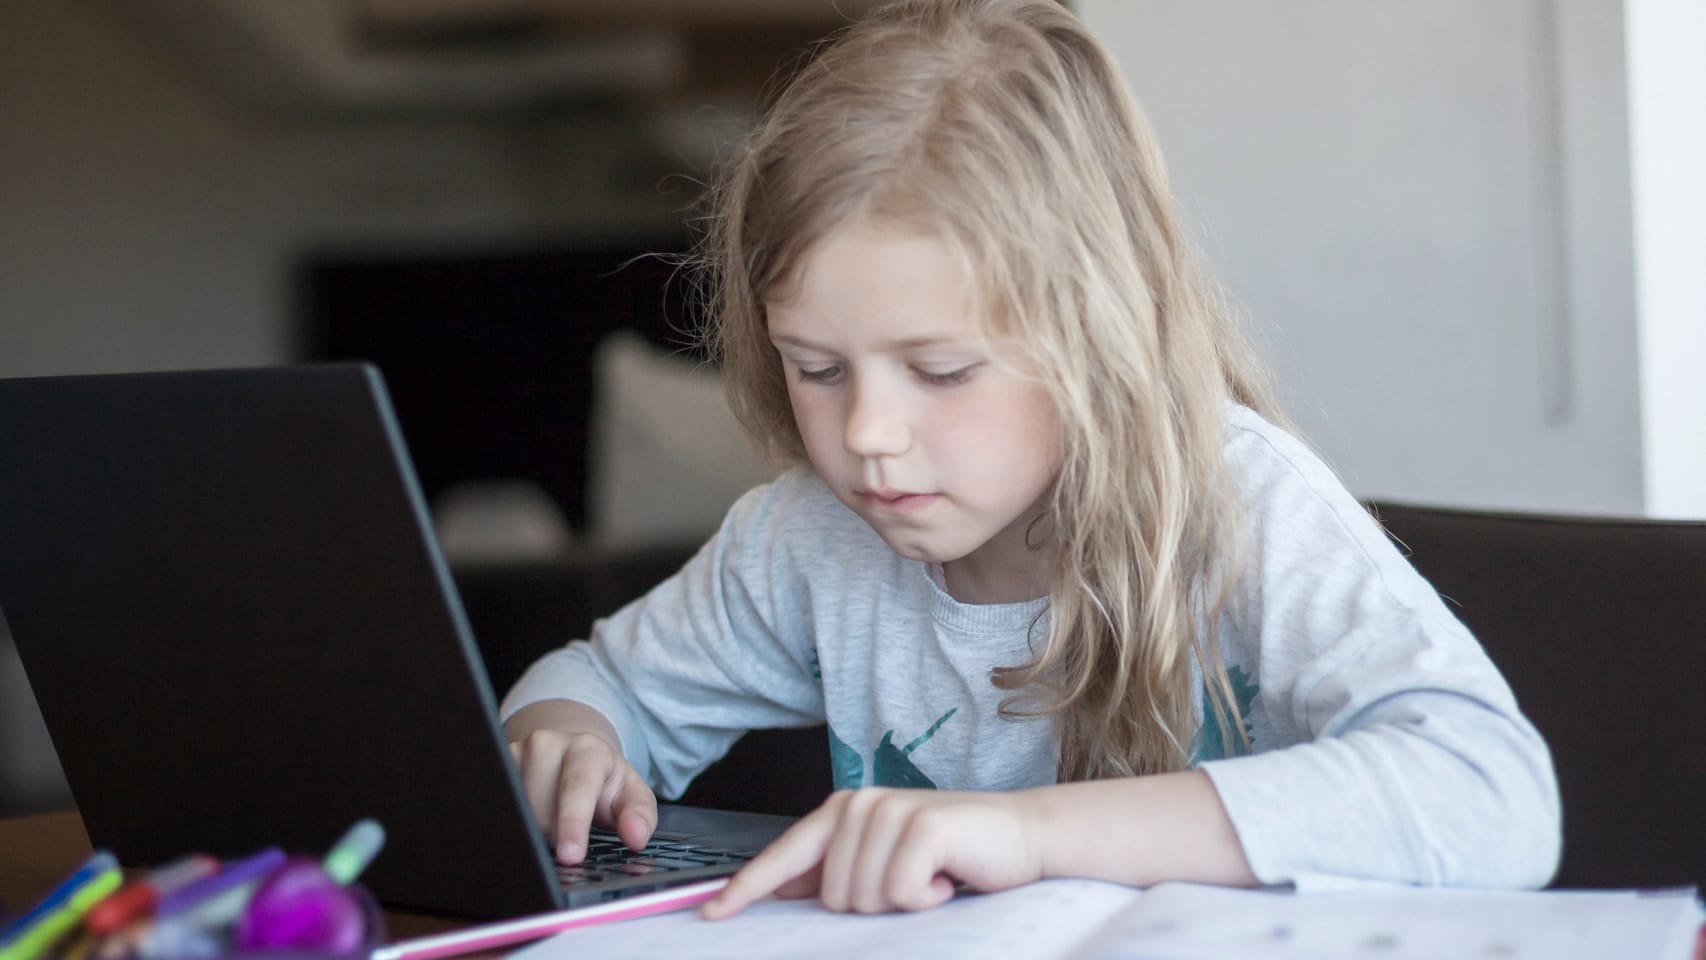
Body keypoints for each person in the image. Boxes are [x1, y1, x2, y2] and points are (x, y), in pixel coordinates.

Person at [500, 0, 1561, 919]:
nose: (866, 432)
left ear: (1094, 341)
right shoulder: (808, 538)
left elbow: (1491, 794)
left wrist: (1030, 835)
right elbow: (596, 685)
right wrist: (565, 737)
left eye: (942, 371)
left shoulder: (1238, 506)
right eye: (815, 368)